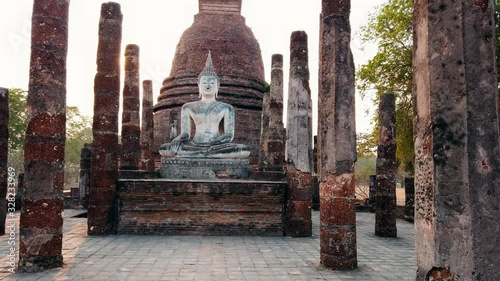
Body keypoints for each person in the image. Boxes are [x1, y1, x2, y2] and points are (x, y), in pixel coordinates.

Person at [159, 52, 250, 159]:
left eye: (212, 83)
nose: (208, 86)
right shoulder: (187, 107)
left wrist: (214, 143)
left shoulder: (227, 108)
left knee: (243, 150)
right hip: (194, 146)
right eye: (204, 83)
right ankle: (205, 155)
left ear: (217, 86)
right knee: (164, 149)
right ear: (198, 85)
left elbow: (229, 136)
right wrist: (178, 139)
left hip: (216, 146)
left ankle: (200, 155)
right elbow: (186, 134)